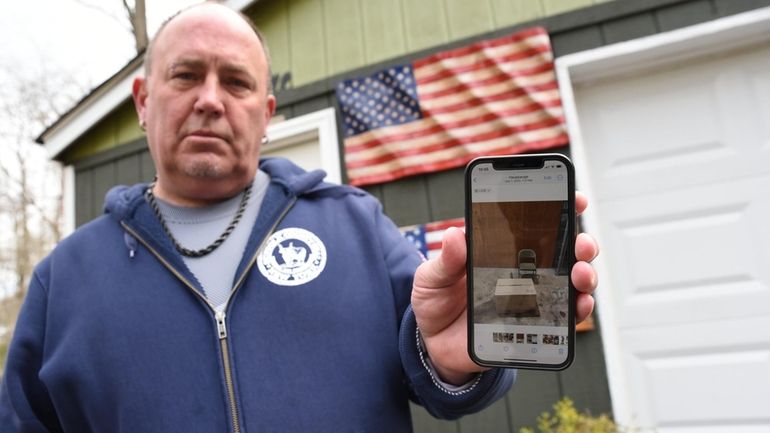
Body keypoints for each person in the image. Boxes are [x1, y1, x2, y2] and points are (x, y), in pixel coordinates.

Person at [0, 3, 599, 432]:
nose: (210, 99)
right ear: (142, 100)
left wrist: (447, 359)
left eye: (235, 82)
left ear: (265, 114)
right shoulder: (64, 279)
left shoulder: (357, 226)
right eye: (186, 75)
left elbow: (446, 378)